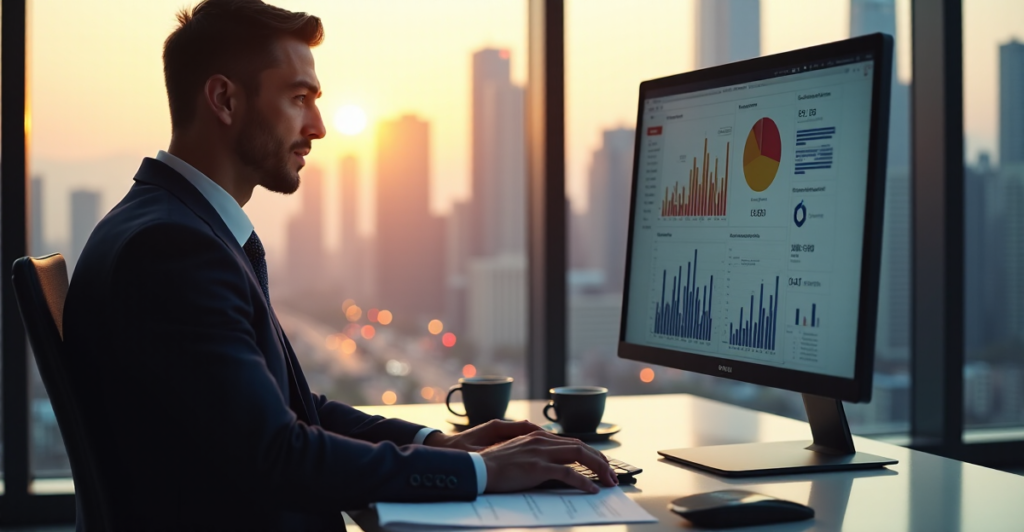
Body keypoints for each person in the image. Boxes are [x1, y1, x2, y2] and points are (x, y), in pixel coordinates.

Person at [61, 0, 615, 530]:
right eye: (299, 98)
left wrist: (437, 445)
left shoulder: (173, 226)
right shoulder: (173, 250)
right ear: (225, 100)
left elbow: (290, 410)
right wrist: (483, 472)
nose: (318, 126)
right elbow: (276, 453)